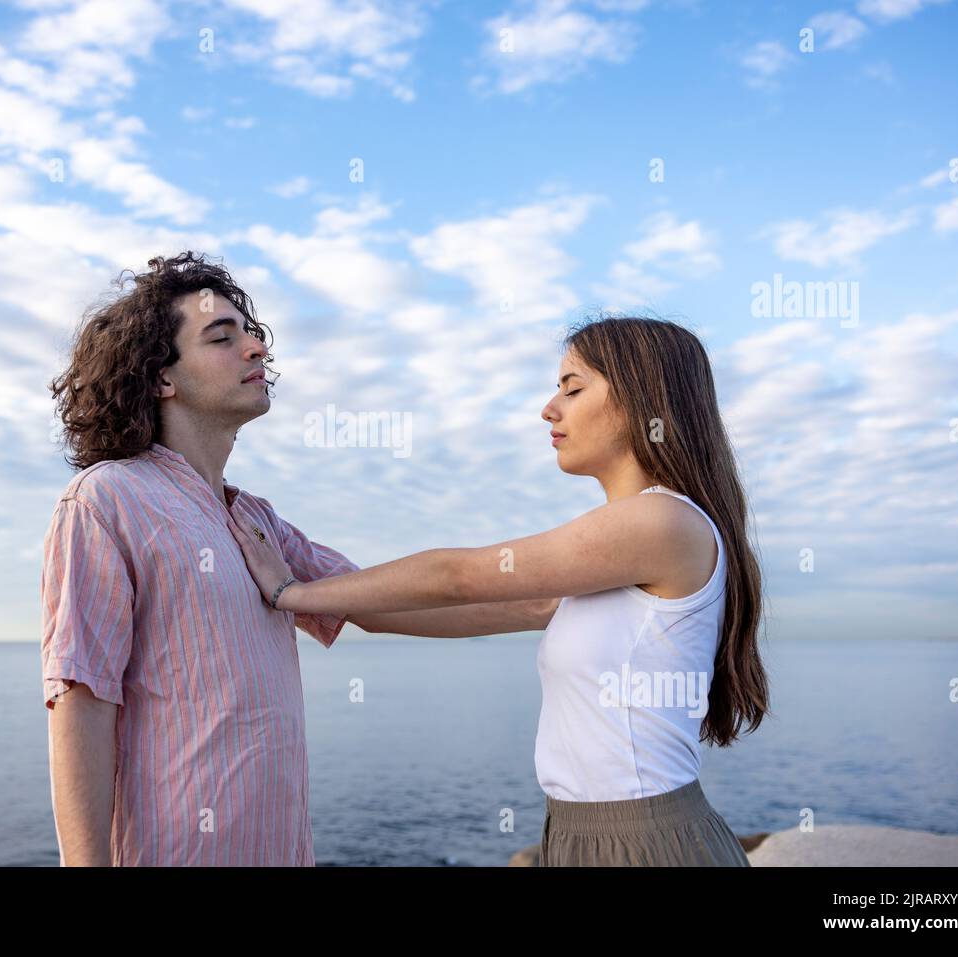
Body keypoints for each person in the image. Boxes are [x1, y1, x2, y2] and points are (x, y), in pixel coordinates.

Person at [40, 251, 551, 866]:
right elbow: (82, 700)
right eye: (222, 338)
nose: (256, 349)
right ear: (161, 378)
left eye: (252, 335)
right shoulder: (106, 500)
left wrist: (555, 606)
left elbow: (384, 601)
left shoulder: (257, 521)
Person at [229, 314, 770, 866]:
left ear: (642, 396)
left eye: (573, 387)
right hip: (580, 831)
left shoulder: (661, 522)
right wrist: (346, 606)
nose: (549, 408)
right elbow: (469, 605)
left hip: (642, 841)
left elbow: (458, 577)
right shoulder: (621, 555)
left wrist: (290, 592)